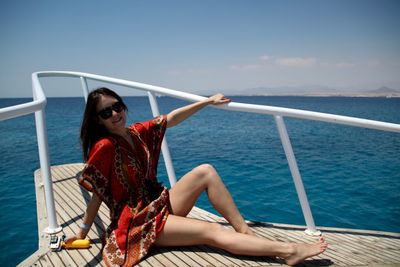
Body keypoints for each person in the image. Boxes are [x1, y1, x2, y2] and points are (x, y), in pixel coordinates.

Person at [67, 87, 328, 266]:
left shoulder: (135, 132)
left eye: (117, 106)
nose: (115, 114)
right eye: (105, 112)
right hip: (138, 223)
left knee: (205, 171)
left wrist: (206, 101)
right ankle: (290, 252)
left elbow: (169, 119)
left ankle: (244, 231)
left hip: (157, 204)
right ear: (97, 120)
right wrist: (83, 231)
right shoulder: (105, 147)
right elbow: (98, 193)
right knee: (211, 231)